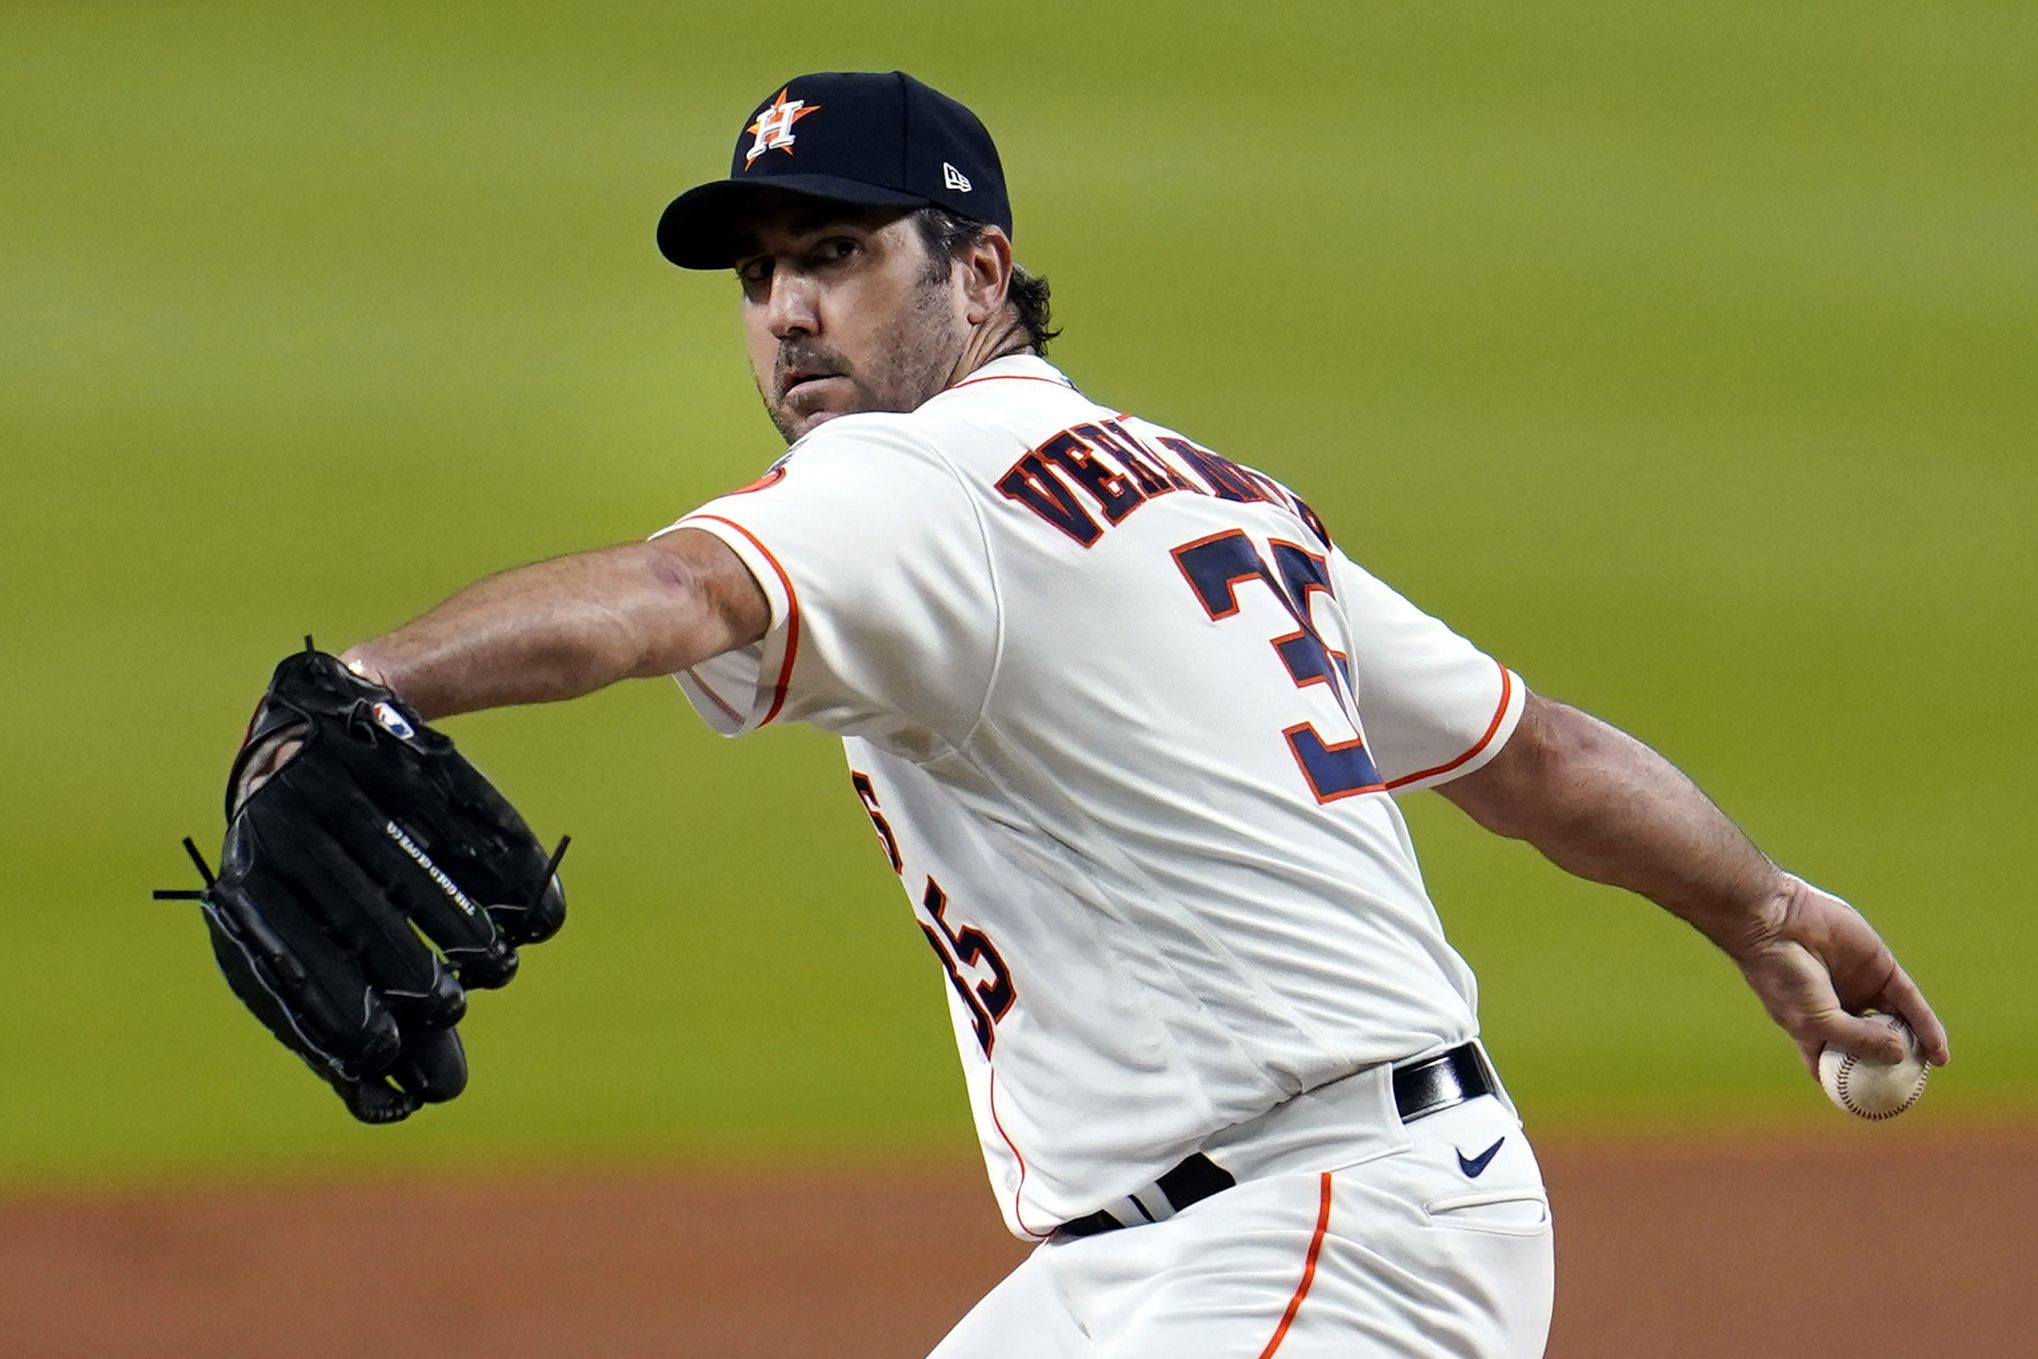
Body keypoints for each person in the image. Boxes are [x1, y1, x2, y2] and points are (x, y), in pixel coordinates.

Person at [331, 71, 1949, 1357]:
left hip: (1318, 1235)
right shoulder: (1209, 492)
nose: (785, 312)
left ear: (979, 271)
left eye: (835, 254)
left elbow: (676, 595)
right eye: (758, 276)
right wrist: (1764, 907)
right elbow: (1535, 759)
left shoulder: (907, 476)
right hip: (1234, 1236)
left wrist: (360, 691)